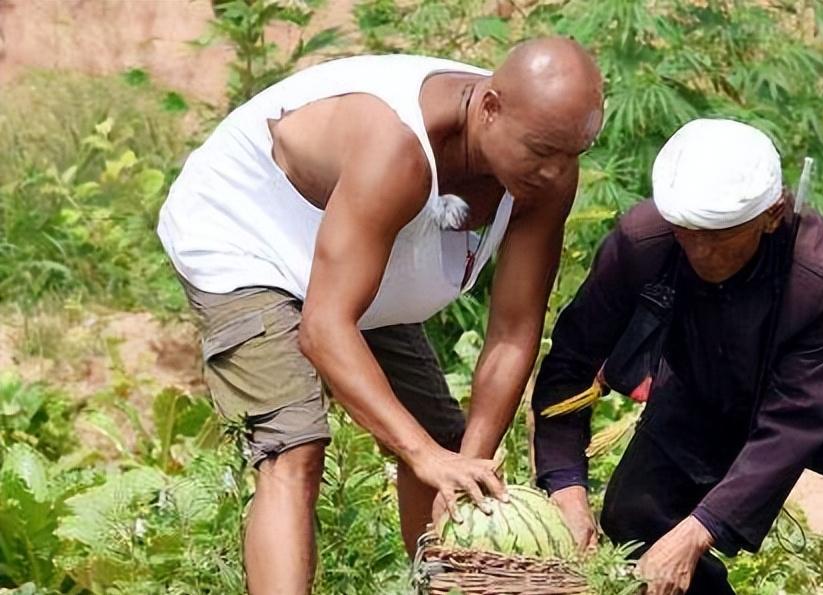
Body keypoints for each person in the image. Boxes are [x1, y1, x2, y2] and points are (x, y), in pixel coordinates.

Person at [156, 38, 603, 594]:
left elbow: (513, 332)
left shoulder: (546, 157)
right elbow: (324, 329)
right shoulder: (397, 145)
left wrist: (463, 465)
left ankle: (435, 584)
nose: (555, 171)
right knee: (295, 447)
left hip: (357, 250)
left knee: (446, 445)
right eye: (541, 152)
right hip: (247, 236)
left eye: (572, 154)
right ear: (489, 108)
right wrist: (423, 455)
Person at [532, 119, 823, 595]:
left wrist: (699, 530)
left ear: (773, 214)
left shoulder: (819, 270)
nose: (699, 251)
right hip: (708, 386)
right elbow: (571, 361)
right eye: (687, 232)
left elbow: (795, 420)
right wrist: (566, 483)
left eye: (719, 236)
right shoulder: (644, 241)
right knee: (636, 515)